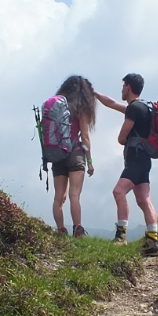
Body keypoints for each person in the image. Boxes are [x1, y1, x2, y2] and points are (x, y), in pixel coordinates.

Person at [97, 73, 158, 256]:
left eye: (123, 86)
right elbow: (111, 103)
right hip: (145, 160)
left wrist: (126, 140)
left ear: (129, 87)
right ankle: (152, 241)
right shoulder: (145, 108)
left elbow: (121, 138)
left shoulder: (134, 110)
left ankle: (121, 236)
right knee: (143, 199)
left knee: (118, 191)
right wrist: (93, 93)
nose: (121, 89)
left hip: (135, 159)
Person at [48, 75, 97, 237]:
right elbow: (85, 135)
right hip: (75, 152)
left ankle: (61, 230)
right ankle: (78, 229)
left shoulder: (58, 106)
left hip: (57, 153)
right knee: (74, 194)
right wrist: (89, 160)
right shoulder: (80, 107)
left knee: (58, 197)